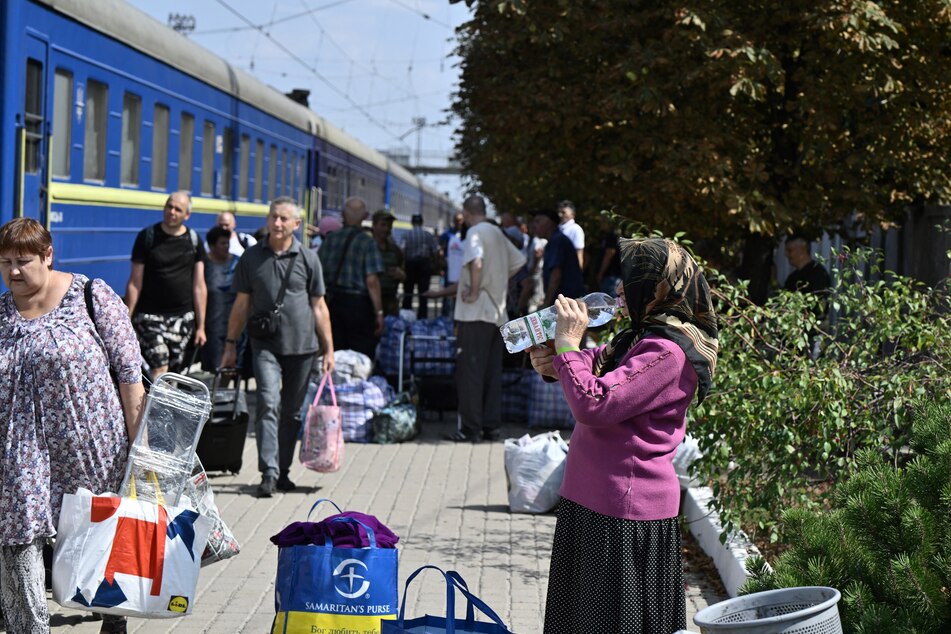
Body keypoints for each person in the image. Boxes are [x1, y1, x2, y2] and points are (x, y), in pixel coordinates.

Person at [529, 237, 719, 633]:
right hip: (592, 502)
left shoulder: (669, 352)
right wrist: (556, 360)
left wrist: (567, 346)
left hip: (624, 515)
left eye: (629, 277)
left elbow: (595, 404)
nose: (618, 287)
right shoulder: (635, 338)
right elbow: (591, 369)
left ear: (657, 285)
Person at [0, 218, 145, 634]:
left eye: (23, 261)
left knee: (95, 533)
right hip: (22, 451)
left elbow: (129, 376)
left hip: (91, 445)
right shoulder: (2, 313)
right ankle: (30, 626)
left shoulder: (89, 296)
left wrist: (141, 450)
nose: (13, 272)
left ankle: (113, 615)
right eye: (5, 262)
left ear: (48, 256)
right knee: (19, 537)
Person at [220, 197, 335, 497]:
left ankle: (283, 472)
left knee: (292, 413)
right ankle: (268, 473)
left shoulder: (309, 259)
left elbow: (319, 306)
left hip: (304, 348)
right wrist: (230, 344)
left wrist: (329, 349)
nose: (277, 223)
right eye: (274, 217)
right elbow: (241, 305)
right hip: (265, 345)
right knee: (269, 402)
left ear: (297, 225)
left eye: (284, 219)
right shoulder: (252, 258)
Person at [449, 195, 525, 442]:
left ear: (466, 212)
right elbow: (519, 261)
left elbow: (477, 261)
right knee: (492, 373)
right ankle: (491, 427)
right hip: (497, 312)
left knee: (470, 373)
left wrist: (473, 291)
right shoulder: (497, 232)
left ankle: (470, 429)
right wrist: (499, 279)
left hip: (475, 313)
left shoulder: (474, 232)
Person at [125, 191, 208, 377]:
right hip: (150, 316)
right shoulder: (147, 237)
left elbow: (199, 285)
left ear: (187, 215)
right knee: (160, 367)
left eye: (178, 209)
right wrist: (127, 316)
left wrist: (201, 326)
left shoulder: (193, 241)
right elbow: (135, 281)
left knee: (174, 372)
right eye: (169, 206)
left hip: (182, 318)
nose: (172, 211)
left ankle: (164, 406)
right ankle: (155, 406)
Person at [318, 197, 385, 359]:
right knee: (360, 354)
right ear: (366, 216)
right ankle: (358, 383)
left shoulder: (330, 239)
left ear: (342, 215)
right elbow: (372, 282)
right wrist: (379, 312)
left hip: (333, 302)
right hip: (359, 305)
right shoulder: (367, 243)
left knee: (336, 351)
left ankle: (335, 383)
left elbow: (318, 274)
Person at [202, 225, 239, 373]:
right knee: (215, 362)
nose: (226, 246)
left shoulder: (237, 263)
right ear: (211, 246)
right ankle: (216, 393)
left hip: (234, 320)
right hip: (212, 324)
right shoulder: (204, 265)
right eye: (222, 243)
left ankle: (224, 391)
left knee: (233, 365)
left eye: (227, 243)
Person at [531, 208, 586, 306]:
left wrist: (546, 304)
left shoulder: (557, 241)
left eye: (537, 221)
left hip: (566, 302)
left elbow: (555, 276)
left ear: (549, 223)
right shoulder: (553, 241)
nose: (533, 225)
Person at [400, 213, 440, 319]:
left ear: (412, 222)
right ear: (422, 222)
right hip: (424, 265)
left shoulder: (406, 234)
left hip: (410, 264)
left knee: (408, 292)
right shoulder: (428, 235)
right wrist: (435, 265)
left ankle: (406, 316)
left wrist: (402, 265)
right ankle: (422, 317)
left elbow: (402, 250)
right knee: (424, 293)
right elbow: (436, 251)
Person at [371, 209, 405, 316]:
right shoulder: (366, 247)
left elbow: (405, 275)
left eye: (389, 226)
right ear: (374, 225)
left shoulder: (395, 250)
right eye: (383, 225)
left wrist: (401, 274)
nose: (386, 229)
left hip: (390, 302)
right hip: (369, 302)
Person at [439, 212, 465, 317]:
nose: (458, 222)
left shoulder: (468, 234)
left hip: (462, 273)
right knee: (447, 298)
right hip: (449, 272)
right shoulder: (447, 234)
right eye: (456, 220)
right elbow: (441, 249)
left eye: (460, 220)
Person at [557, 200, 585, 269]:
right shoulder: (558, 228)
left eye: (563, 212)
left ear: (573, 214)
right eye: (559, 212)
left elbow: (579, 253)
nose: (560, 215)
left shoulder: (576, 229)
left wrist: (578, 274)